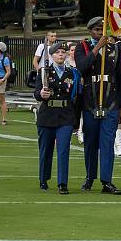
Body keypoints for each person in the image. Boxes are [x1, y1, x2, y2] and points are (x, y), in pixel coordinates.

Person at [74, 16, 121, 195]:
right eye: (97, 30)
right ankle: (90, 176)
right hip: (90, 101)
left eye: (102, 30)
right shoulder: (83, 47)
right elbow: (81, 67)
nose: (100, 33)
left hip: (110, 101)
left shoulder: (115, 49)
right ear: (90, 31)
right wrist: (97, 48)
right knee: (90, 143)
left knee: (107, 142)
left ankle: (107, 180)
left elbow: (120, 78)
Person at [33, 41, 81, 194]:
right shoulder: (44, 72)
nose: (60, 55)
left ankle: (62, 183)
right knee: (46, 150)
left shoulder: (72, 72)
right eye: (57, 52)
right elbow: (36, 93)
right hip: (47, 115)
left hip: (66, 115)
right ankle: (43, 178)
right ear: (52, 55)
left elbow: (76, 97)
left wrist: (76, 120)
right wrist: (41, 94)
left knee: (63, 150)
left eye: (63, 52)